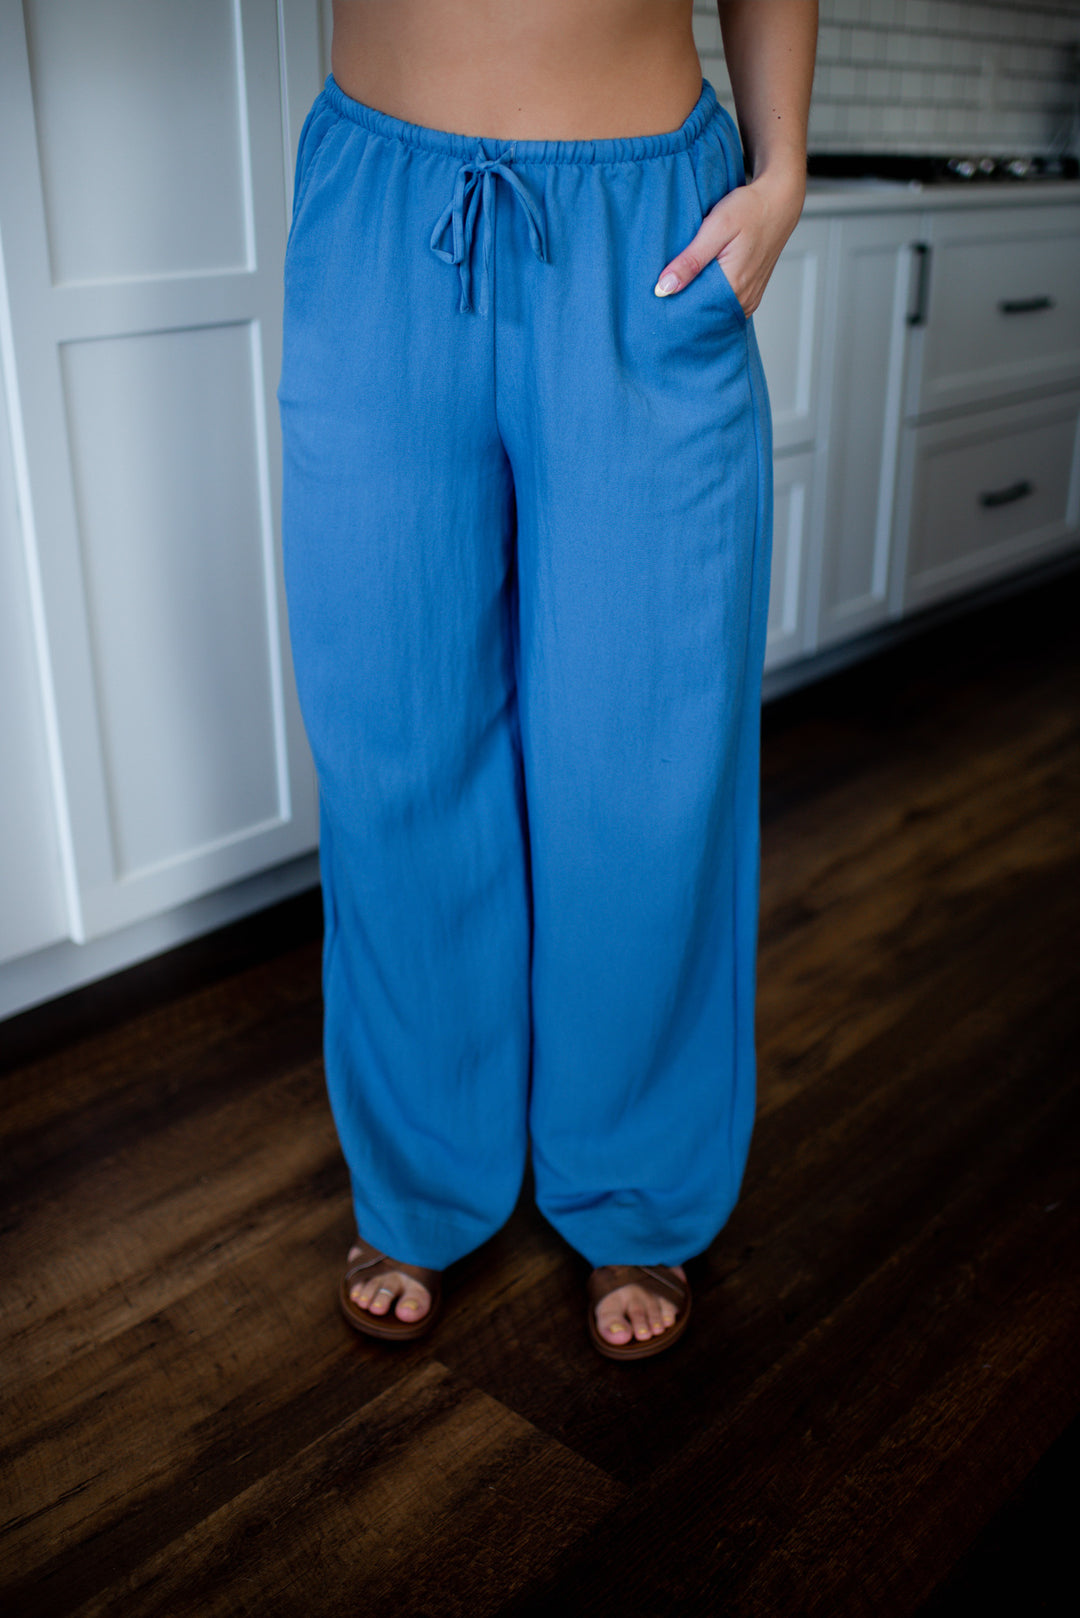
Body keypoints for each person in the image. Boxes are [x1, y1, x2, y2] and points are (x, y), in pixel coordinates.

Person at [276, 0, 817, 1360]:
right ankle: (421, 1172)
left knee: (642, 758)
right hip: (379, 212)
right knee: (394, 736)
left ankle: (634, 1180)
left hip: (647, 226)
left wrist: (784, 169)